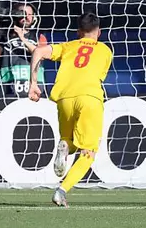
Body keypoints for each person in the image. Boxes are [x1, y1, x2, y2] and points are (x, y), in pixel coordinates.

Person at [28, 12, 113, 207]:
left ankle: (65, 146)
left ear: (78, 32)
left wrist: (33, 83)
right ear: (99, 32)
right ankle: (62, 191)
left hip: (64, 98)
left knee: (68, 140)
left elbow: (38, 51)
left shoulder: (68, 46)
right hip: (90, 98)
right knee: (88, 151)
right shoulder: (105, 50)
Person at [0, 2, 47, 96]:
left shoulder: (39, 36)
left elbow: (42, 55)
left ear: (34, 17)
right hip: (7, 89)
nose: (25, 17)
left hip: (34, 89)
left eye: (29, 14)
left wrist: (22, 37)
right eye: (22, 13)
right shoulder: (4, 36)